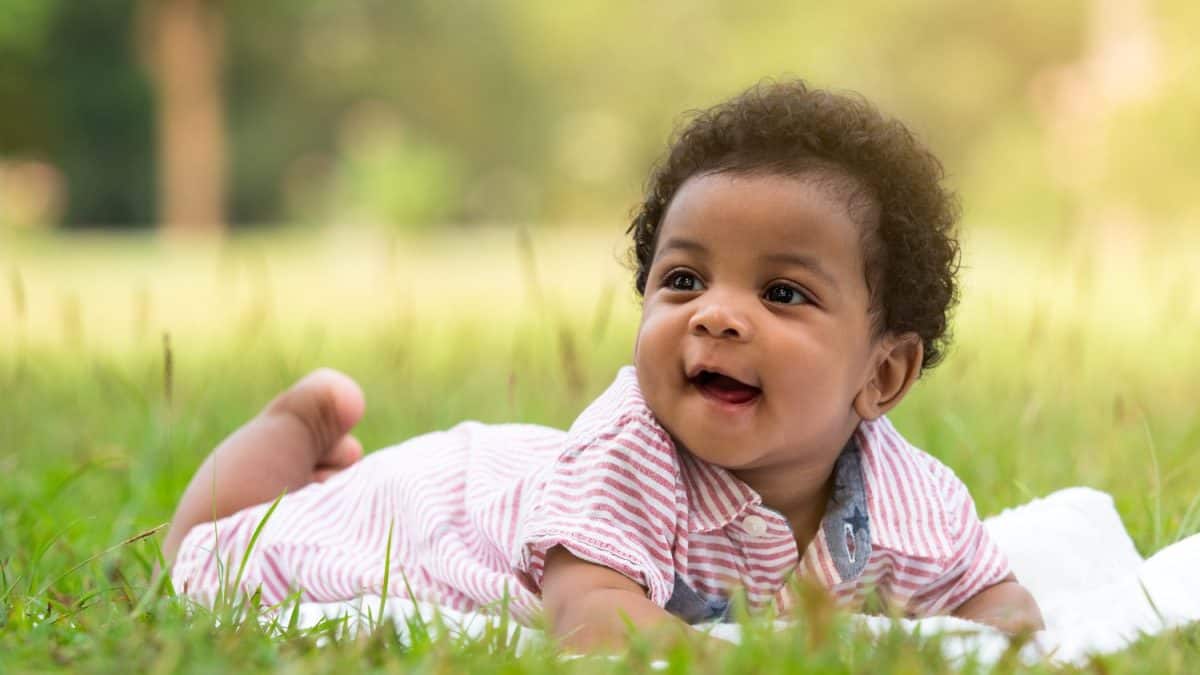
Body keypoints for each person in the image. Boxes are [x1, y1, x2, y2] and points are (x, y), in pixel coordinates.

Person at [163, 80, 1044, 651]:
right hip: (445, 503)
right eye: (685, 278)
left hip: (524, 473)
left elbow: (997, 604)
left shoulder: (910, 500)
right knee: (211, 557)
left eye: (782, 293)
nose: (716, 313)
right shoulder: (632, 456)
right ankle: (296, 425)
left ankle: (314, 452)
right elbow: (596, 626)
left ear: (882, 376)